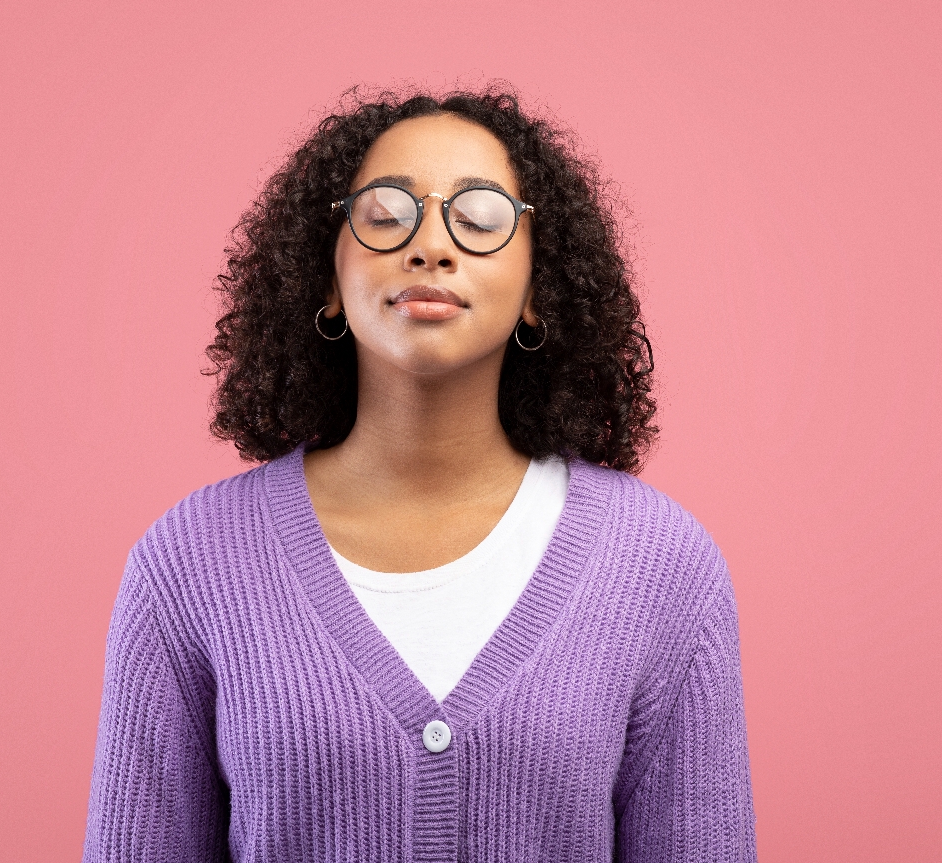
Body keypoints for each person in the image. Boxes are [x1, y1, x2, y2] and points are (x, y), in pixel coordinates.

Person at [83, 87, 756, 862]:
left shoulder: (663, 567)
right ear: (327, 278)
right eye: (385, 214)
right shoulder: (189, 565)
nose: (431, 245)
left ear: (538, 289)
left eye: (480, 219)